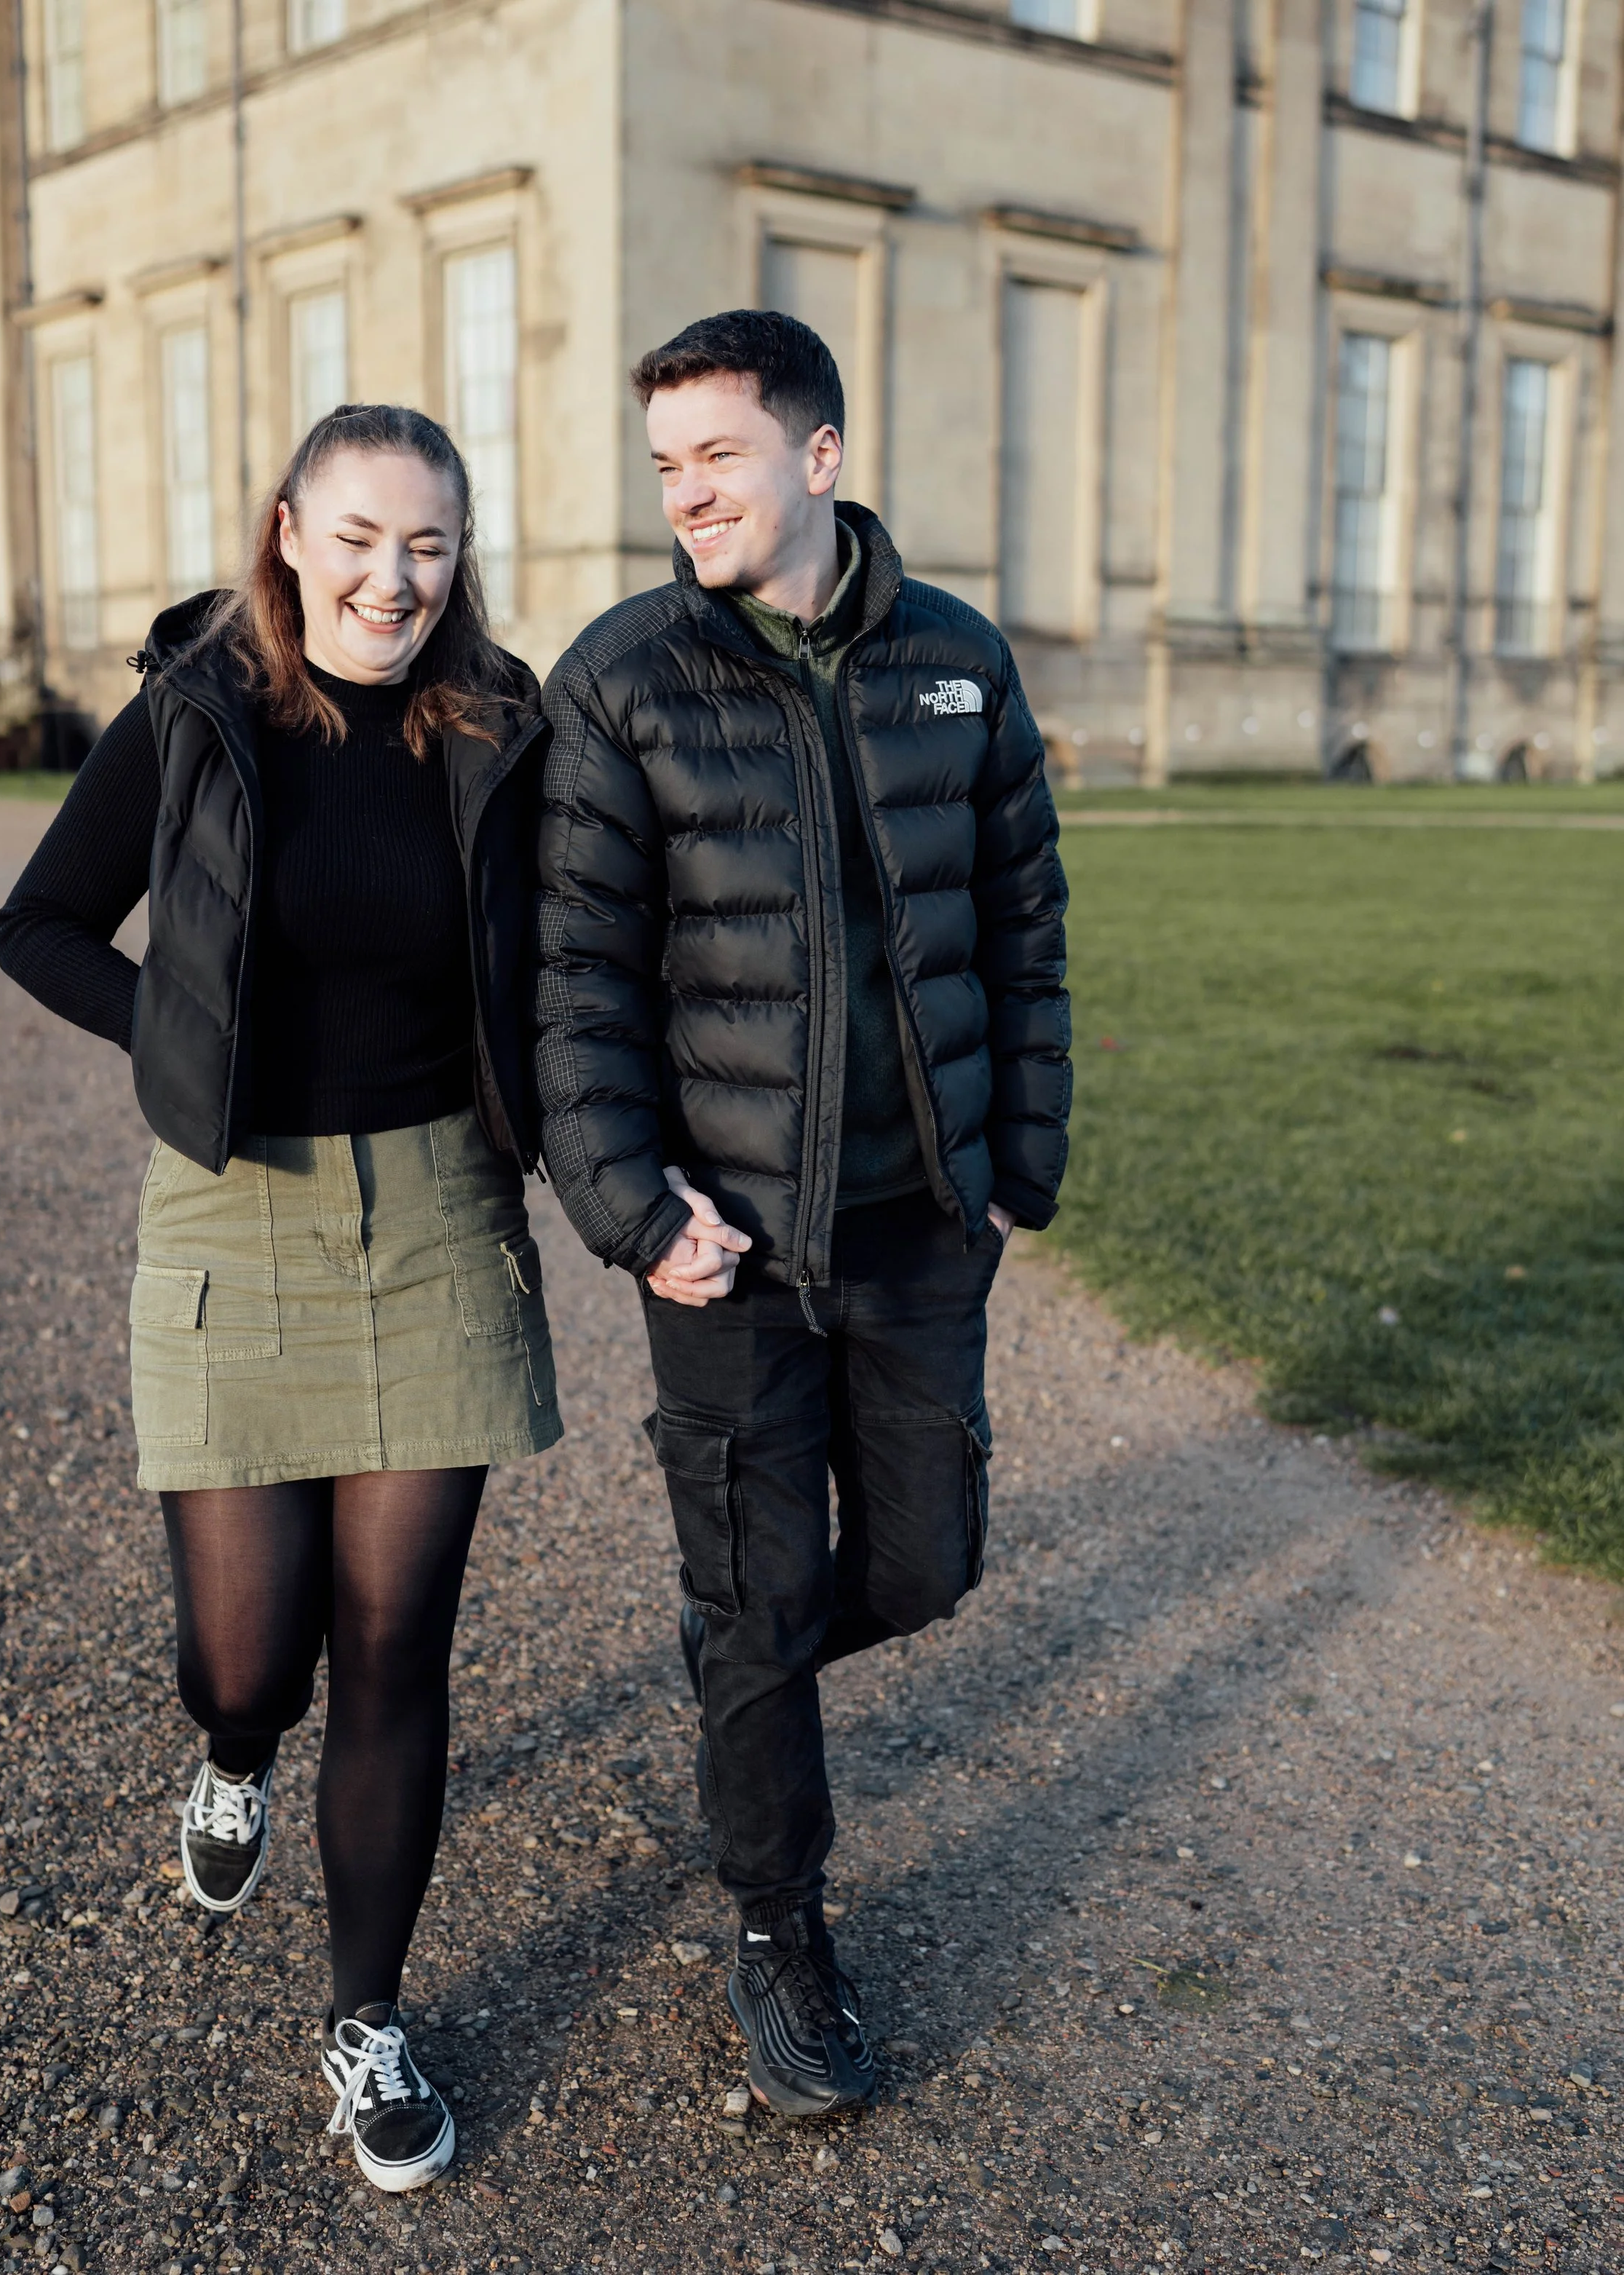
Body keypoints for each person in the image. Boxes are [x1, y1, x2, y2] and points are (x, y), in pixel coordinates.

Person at [0, 403, 560, 2192]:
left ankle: (366, 2014)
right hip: (234, 1212)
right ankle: (234, 1756)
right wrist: (179, 1035)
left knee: (397, 1646)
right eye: (362, 536)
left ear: (459, 563)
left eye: (432, 546)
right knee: (252, 1653)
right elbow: (41, 924)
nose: (394, 579)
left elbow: (563, 952)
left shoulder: (501, 727)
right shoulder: (195, 716)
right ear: (292, 532)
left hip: (440, 1218)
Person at [535, 311, 1070, 2119]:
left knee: (925, 1563)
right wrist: (630, 1206)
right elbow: (576, 986)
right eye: (666, 464)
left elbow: (1022, 927)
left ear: (818, 458)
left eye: (718, 458)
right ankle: (780, 1926)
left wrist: (1017, 1158)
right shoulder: (621, 677)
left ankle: (738, 1673)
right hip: (726, 1241)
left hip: (922, 1224)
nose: (684, 493)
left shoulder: (955, 661)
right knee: (760, 1600)